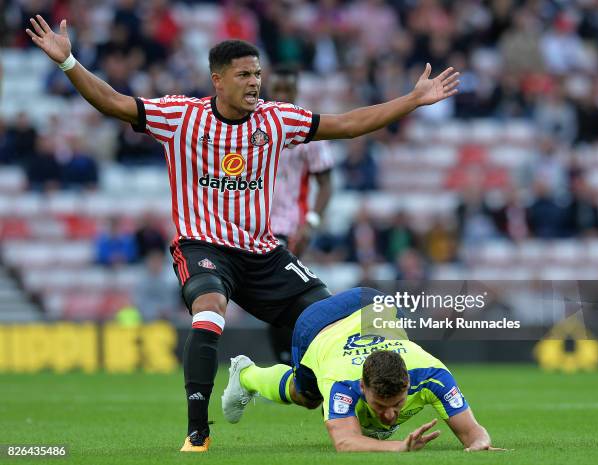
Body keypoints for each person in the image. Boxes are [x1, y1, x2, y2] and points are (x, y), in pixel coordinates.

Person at [26, 15, 460, 452]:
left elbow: (347, 124)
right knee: (210, 309)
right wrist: (69, 64)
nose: (255, 83)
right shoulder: (181, 117)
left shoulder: (276, 120)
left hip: (263, 252)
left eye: (258, 74)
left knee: (334, 331)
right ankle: (198, 433)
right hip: (203, 246)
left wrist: (411, 100)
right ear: (218, 79)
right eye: (244, 75)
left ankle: (264, 381)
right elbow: (115, 103)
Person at [222, 288, 503, 453]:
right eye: (380, 405)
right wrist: (399, 446)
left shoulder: (432, 373)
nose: (391, 415)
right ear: (361, 387)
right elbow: (344, 442)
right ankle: (245, 373)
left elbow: (473, 432)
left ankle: (363, 415)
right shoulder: (339, 379)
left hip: (374, 304)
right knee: (306, 397)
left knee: (364, 425)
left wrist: (480, 443)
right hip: (320, 324)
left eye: (398, 404)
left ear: (408, 383)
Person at [267, 66, 334, 364]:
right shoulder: (254, 125)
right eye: (276, 90)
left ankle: (291, 363)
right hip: (256, 225)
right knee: (273, 298)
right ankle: (290, 364)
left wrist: (311, 223)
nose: (281, 97)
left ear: (296, 92)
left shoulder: (308, 129)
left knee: (281, 295)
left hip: (290, 226)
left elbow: (326, 183)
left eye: (287, 91)